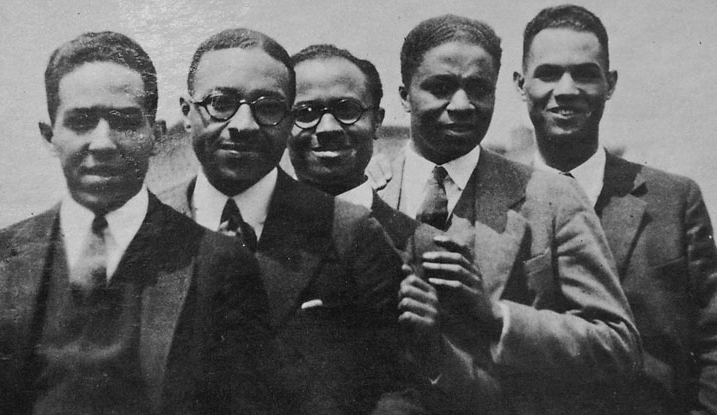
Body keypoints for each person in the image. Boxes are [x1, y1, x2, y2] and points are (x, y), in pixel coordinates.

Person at [375, 14, 641, 413]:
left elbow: (618, 345)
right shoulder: (366, 189)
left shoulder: (552, 197)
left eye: (478, 88)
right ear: (403, 95)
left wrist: (498, 317)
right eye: (441, 87)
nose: (462, 105)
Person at [158, 29, 429, 414]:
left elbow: (402, 387)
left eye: (267, 107)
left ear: (288, 122)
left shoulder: (348, 230)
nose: (244, 124)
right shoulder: (153, 224)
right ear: (187, 113)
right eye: (220, 103)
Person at [0, 31, 268, 414]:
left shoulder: (219, 264)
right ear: (49, 135)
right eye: (81, 121)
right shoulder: (2, 259)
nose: (103, 143)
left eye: (124, 121)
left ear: (155, 135)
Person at [514, 5, 717, 414]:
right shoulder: (495, 200)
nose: (567, 88)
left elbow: (713, 338)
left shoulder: (673, 200)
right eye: (549, 73)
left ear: (610, 84)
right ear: (521, 85)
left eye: (586, 73)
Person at [288, 43, 503, 413]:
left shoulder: (432, 250)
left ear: (376, 121)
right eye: (305, 112)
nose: (327, 129)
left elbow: (491, 397)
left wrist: (435, 347)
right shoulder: (244, 234)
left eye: (347, 110)